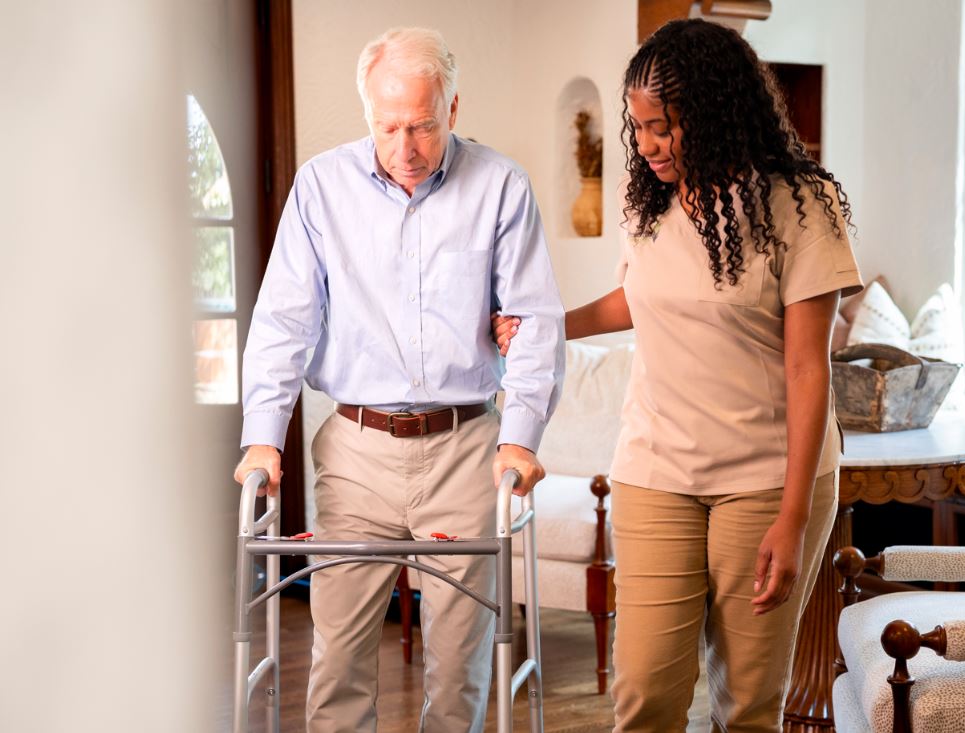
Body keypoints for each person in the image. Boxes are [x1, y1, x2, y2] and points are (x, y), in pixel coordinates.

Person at [495, 18, 862, 732]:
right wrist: (543, 322)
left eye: (661, 127)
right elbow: (634, 298)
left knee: (747, 703)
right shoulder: (649, 203)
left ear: (714, 111)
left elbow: (806, 369)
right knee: (643, 695)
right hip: (655, 469)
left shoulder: (800, 207)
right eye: (638, 128)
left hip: (765, 479)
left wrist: (791, 519)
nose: (647, 146)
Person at [234, 27, 564, 733]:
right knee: (339, 662)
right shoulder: (321, 187)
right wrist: (262, 434)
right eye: (388, 127)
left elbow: (534, 319)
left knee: (459, 666)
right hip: (357, 447)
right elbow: (283, 318)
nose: (405, 147)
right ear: (367, 115)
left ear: (452, 108)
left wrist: (521, 433)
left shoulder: (500, 185)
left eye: (421, 125)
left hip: (465, 444)